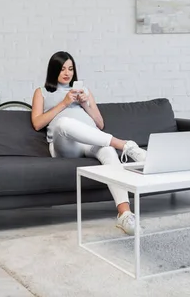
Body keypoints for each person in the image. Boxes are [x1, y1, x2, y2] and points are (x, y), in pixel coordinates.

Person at [31, 51, 147, 235]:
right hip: (65, 144)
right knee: (63, 123)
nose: (67, 73)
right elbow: (37, 123)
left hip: (89, 141)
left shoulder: (84, 92)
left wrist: (85, 104)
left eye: (70, 68)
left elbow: (100, 124)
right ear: (53, 71)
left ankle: (125, 215)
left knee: (108, 151)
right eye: (62, 69)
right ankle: (125, 146)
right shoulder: (42, 92)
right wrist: (64, 103)